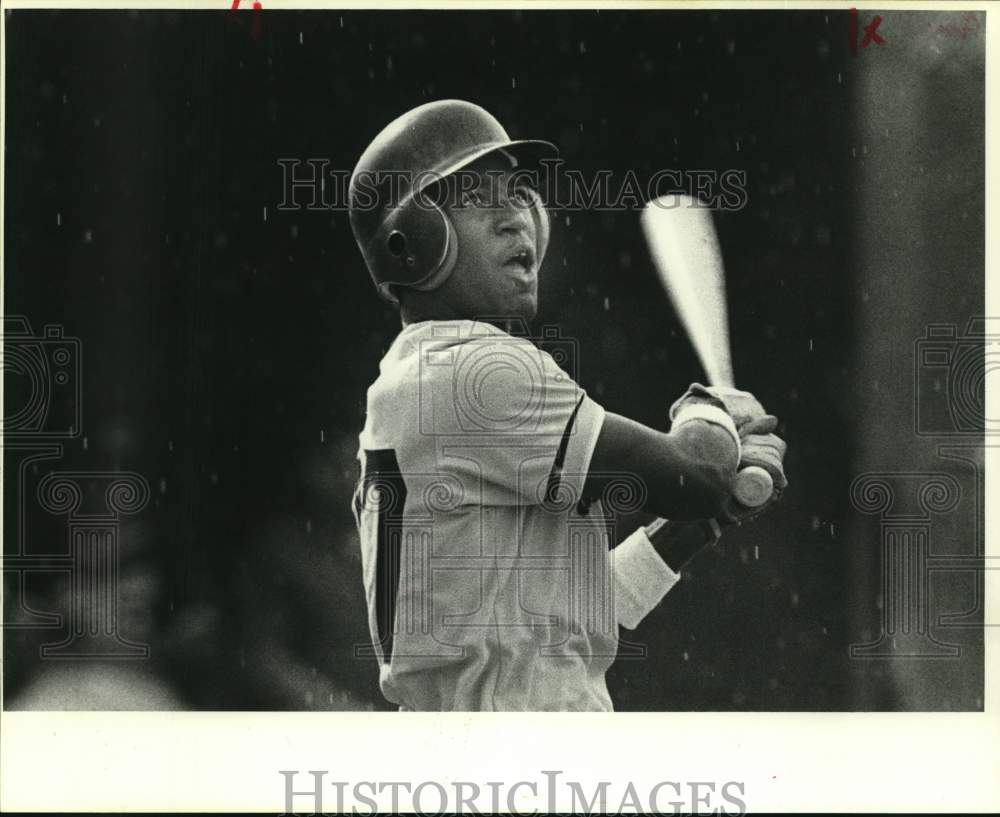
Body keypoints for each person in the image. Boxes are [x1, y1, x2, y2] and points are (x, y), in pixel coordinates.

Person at [348, 99, 787, 711]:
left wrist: (705, 520)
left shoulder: (415, 378)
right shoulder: (475, 370)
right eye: (476, 197)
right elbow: (695, 473)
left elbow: (583, 612)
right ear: (410, 243)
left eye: (520, 192)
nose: (517, 218)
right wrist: (712, 415)